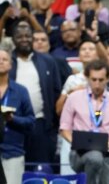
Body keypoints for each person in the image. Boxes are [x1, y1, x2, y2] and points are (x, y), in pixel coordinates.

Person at [60, 60, 109, 184]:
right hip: (79, 152)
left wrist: (108, 144)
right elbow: (64, 128)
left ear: (108, 78)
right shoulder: (74, 98)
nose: (97, 84)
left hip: (107, 151)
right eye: (93, 79)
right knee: (95, 157)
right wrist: (76, 142)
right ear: (87, 78)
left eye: (101, 80)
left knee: (104, 165)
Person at [9, 22, 61, 169]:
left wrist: (52, 125)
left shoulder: (48, 61)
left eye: (27, 36)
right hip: (13, 125)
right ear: (13, 39)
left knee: (40, 169)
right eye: (20, 36)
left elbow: (56, 92)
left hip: (40, 124)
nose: (24, 39)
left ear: (32, 38)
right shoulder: (6, 62)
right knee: (14, 170)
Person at [0, 48, 35, 184]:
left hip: (13, 151)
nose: (0, 62)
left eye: (4, 59)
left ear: (10, 65)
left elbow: (31, 121)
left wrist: (12, 119)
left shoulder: (20, 91)